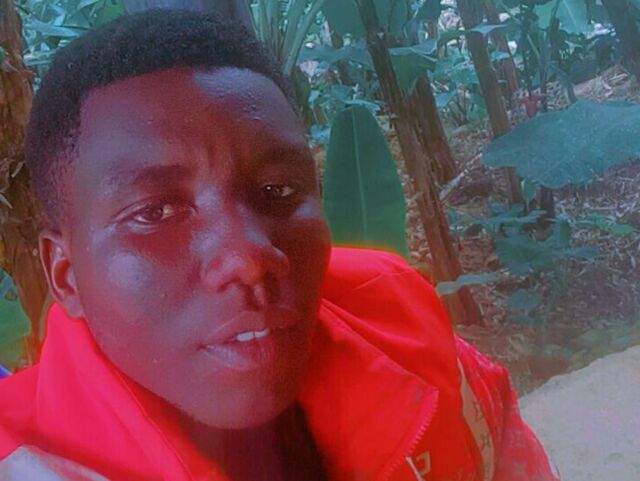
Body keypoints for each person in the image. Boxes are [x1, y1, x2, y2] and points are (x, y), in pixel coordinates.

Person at [0, 9, 559, 481]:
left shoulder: (400, 321)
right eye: (156, 212)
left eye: (278, 191)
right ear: (66, 275)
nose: (249, 258)